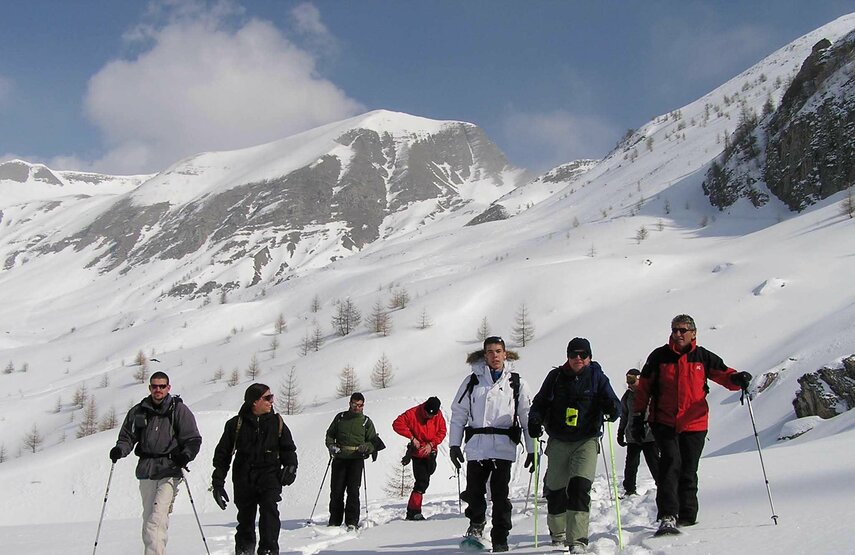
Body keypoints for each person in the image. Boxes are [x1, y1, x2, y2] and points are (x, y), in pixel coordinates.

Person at [632, 314, 752, 535]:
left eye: (682, 330)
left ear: (693, 333)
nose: (677, 334)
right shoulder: (659, 357)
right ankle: (668, 515)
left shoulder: (702, 357)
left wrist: (738, 379)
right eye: (674, 330)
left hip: (695, 423)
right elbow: (644, 387)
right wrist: (638, 415)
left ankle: (688, 515)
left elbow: (724, 375)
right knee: (670, 464)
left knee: (689, 469)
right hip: (664, 421)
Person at [528, 337, 621, 554]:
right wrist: (535, 420)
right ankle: (558, 531)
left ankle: (577, 539)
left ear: (590, 357)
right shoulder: (556, 377)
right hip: (559, 440)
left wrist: (612, 409)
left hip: (586, 440)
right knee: (556, 490)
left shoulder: (597, 377)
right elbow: (539, 403)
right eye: (573, 355)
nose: (578, 359)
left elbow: (614, 403)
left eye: (583, 355)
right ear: (567, 356)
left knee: (580, 487)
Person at [450, 336, 535, 553]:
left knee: (500, 496)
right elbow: (459, 414)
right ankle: (476, 524)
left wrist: (532, 448)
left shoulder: (516, 383)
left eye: (498, 351)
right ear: (484, 355)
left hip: (503, 447)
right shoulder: (472, 382)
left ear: (505, 354)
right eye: (490, 351)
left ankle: (500, 537)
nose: (494, 356)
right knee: (475, 492)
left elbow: (526, 417)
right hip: (477, 446)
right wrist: (454, 445)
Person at [109, 371, 202, 555]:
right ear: (149, 388)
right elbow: (128, 436)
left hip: (169, 469)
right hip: (146, 470)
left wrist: (185, 456)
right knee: (149, 520)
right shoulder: (139, 410)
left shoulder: (179, 410)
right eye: (154, 386)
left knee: (156, 521)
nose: (158, 390)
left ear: (169, 388)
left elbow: (193, 439)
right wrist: (120, 450)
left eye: (162, 386)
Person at [211, 383, 298, 555]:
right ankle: (244, 549)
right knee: (245, 518)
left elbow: (288, 448)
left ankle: (268, 549)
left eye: (271, 397)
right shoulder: (235, 424)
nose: (271, 401)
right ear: (254, 402)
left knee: (269, 511)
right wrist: (218, 483)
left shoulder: (277, 422)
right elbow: (223, 455)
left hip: (269, 475)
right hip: (244, 476)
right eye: (267, 398)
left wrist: (291, 466)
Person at [325, 392, 383, 530]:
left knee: (353, 491)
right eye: (354, 404)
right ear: (349, 403)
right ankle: (334, 521)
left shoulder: (366, 422)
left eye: (360, 405)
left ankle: (352, 521)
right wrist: (331, 446)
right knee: (336, 491)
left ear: (363, 406)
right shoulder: (340, 418)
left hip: (356, 459)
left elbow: (373, 441)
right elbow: (330, 434)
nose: (357, 407)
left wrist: (366, 447)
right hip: (339, 458)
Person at [392, 396, 447, 520]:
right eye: (428, 414)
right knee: (422, 482)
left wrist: (431, 444)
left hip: (431, 452)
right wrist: (412, 438)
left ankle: (413, 511)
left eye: (433, 415)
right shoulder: (413, 413)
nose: (430, 417)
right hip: (417, 453)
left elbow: (442, 431)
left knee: (427, 477)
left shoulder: (438, 415)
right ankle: (413, 511)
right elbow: (396, 424)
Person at [616, 368, 660, 496]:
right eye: (627, 381)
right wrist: (620, 432)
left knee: (654, 462)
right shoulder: (627, 396)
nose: (629, 384)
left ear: (639, 379)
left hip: (649, 435)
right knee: (631, 463)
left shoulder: (650, 394)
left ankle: (662, 485)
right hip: (632, 435)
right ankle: (629, 489)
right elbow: (624, 415)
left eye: (632, 380)